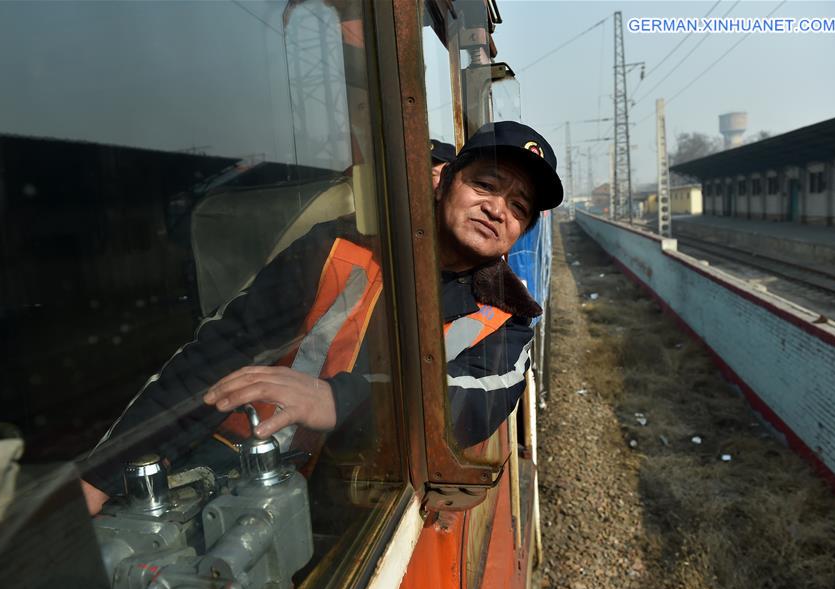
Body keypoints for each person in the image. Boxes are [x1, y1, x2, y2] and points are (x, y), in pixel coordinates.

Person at [80, 121, 564, 514]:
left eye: (518, 207)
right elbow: (219, 352)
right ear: (443, 182)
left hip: (360, 511)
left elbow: (470, 406)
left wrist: (340, 399)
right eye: (485, 184)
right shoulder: (337, 248)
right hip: (243, 468)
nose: (497, 209)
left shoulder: (510, 316)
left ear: (521, 230)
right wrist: (105, 474)